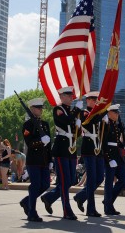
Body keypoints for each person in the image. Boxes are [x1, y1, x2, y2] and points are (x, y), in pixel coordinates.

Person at [41, 87, 82, 220]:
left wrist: (79, 124)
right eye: (69, 95)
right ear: (62, 96)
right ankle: (66, 210)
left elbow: (78, 133)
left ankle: (49, 197)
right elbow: (66, 121)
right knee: (64, 182)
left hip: (71, 148)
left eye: (72, 96)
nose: (71, 98)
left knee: (70, 180)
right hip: (62, 148)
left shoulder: (71, 111)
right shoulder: (58, 109)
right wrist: (76, 112)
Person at [73, 91, 105, 217]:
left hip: (98, 147)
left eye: (96, 99)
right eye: (93, 99)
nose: (96, 101)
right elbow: (90, 122)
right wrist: (104, 111)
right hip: (89, 147)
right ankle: (90, 209)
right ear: (88, 100)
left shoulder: (97, 114)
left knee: (99, 178)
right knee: (91, 179)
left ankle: (81, 196)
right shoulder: (84, 113)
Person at [19, 97, 52, 222]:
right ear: (32, 109)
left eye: (41, 108)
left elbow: (49, 145)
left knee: (46, 184)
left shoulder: (45, 124)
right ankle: (32, 212)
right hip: (33, 161)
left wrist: (50, 160)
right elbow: (29, 143)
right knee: (36, 185)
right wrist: (40, 141)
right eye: (38, 108)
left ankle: (26, 201)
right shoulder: (27, 125)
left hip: (43, 161)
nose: (41, 110)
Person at [102, 104, 125, 215]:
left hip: (117, 156)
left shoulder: (116, 125)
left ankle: (108, 201)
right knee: (108, 183)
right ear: (109, 113)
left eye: (118, 112)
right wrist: (109, 159)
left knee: (124, 179)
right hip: (109, 156)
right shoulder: (106, 124)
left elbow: (117, 142)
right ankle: (108, 207)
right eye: (116, 112)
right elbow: (103, 143)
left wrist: (124, 146)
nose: (118, 114)